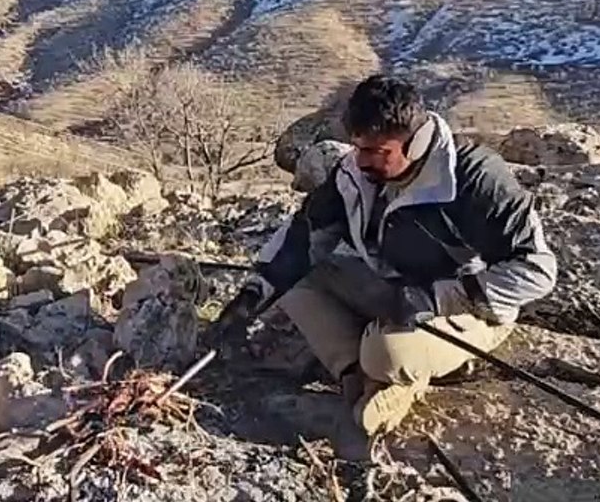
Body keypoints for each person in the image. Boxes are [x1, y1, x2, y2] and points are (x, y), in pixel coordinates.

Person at [216, 74, 557, 460]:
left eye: (377, 151)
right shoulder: (354, 171)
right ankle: (356, 377)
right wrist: (252, 295)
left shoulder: (474, 177)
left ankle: (393, 374)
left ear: (416, 142)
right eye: (358, 147)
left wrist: (438, 297)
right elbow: (304, 237)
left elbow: (537, 269)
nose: (363, 160)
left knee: (384, 354)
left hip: (467, 309)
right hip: (394, 293)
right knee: (294, 282)